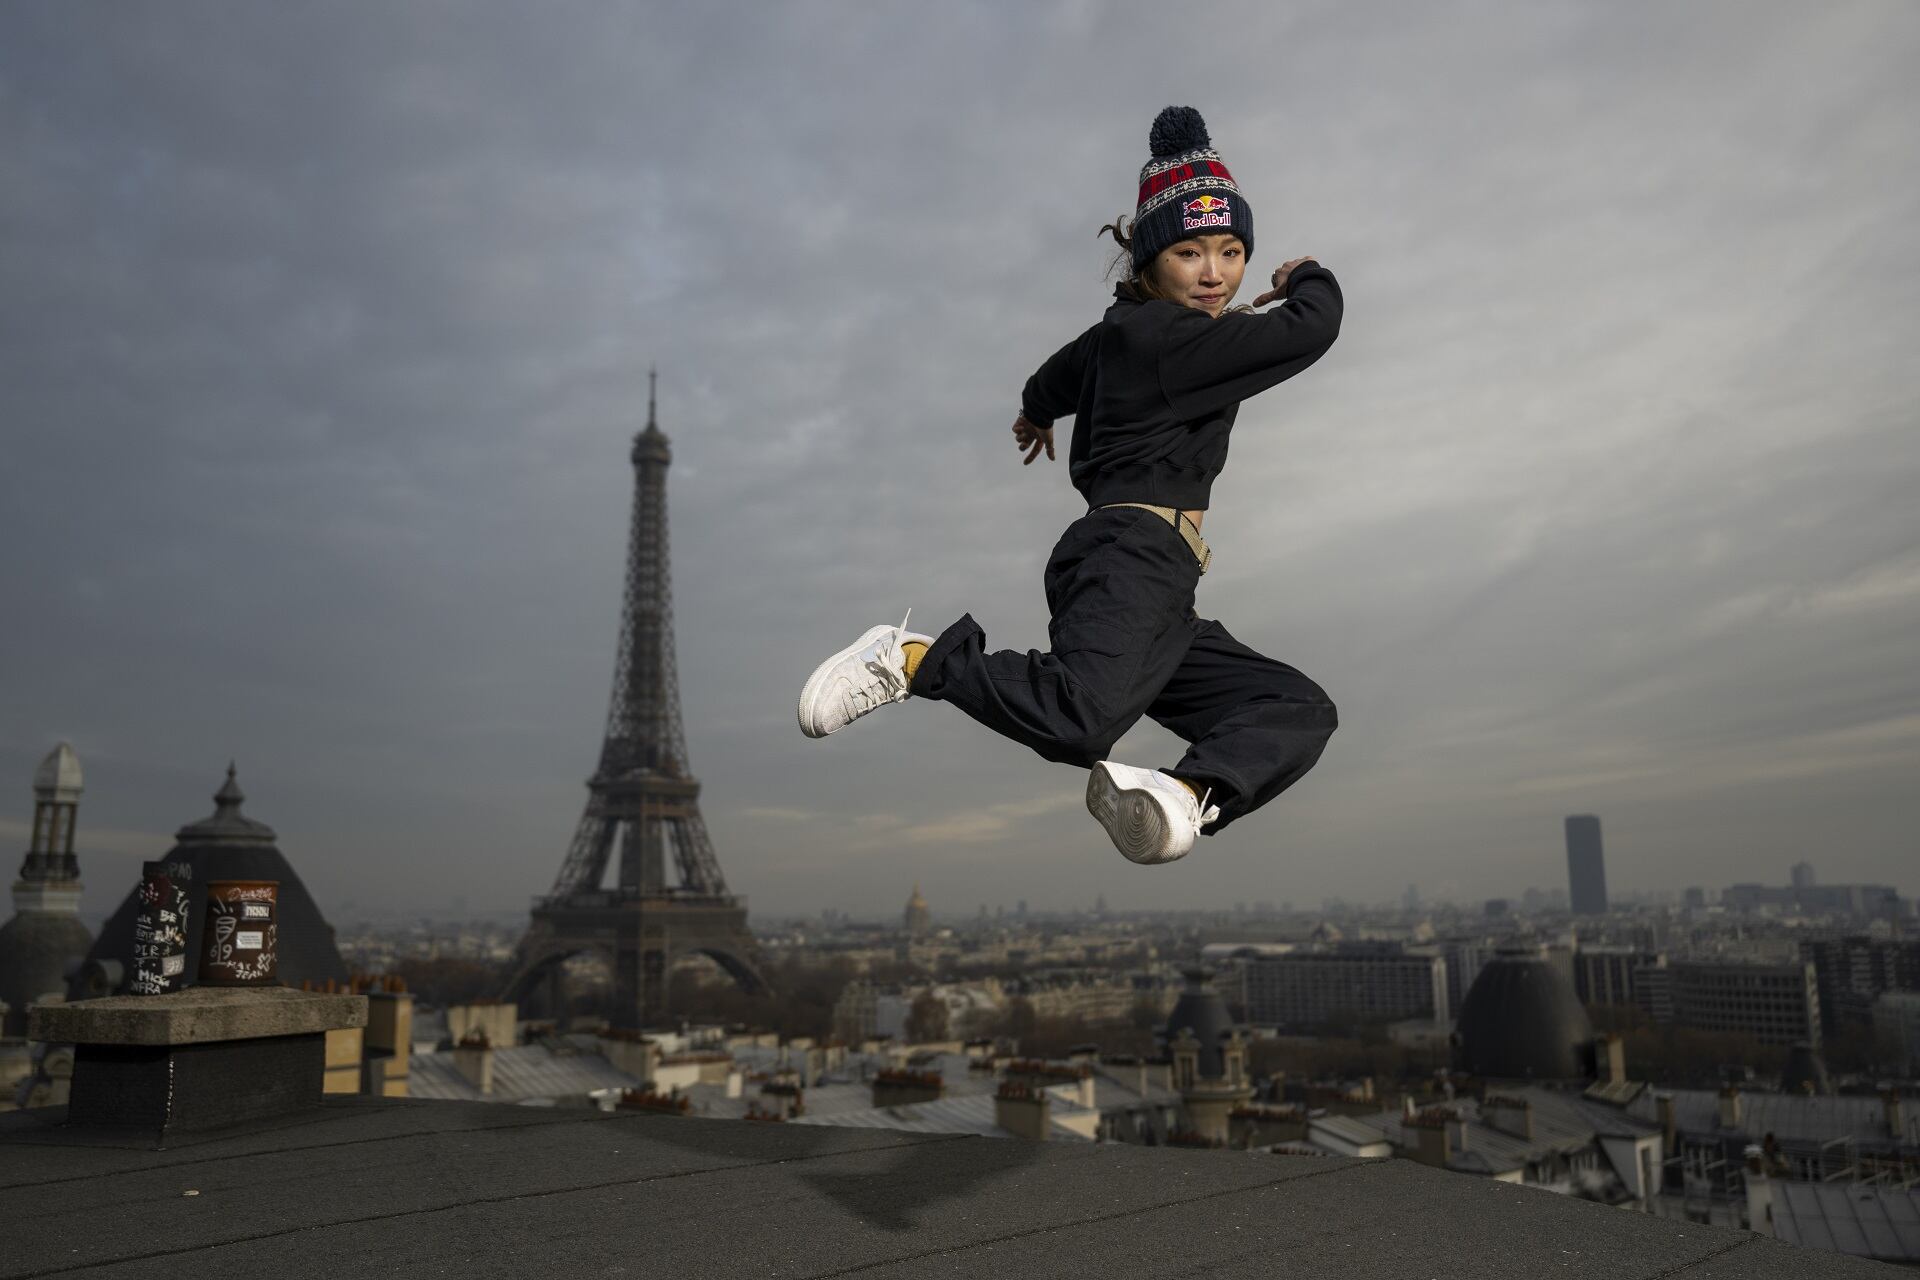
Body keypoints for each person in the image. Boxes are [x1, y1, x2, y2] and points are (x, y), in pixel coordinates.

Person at [797, 105, 1344, 866]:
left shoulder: (1117, 334)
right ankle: (913, 659)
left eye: (1231, 251)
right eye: (1190, 253)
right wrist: (1305, 277)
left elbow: (1054, 373)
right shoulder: (1177, 339)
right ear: (1150, 262)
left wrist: (1035, 414)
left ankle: (1184, 798)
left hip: (1159, 582)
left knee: (1295, 708)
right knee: (1080, 722)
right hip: (1129, 558)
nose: (1215, 274)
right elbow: (1312, 328)